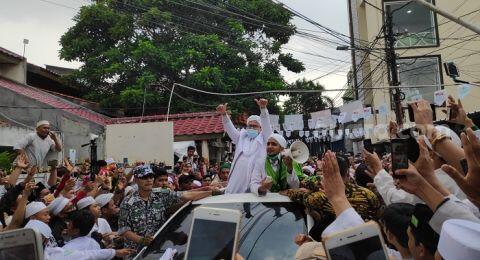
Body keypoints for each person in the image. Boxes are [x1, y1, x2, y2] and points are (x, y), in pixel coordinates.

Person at [118, 165, 214, 251]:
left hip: (158, 250)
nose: (149, 180)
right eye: (144, 177)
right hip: (135, 252)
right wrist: (142, 240)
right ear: (135, 180)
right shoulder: (127, 202)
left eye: (151, 177)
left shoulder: (160, 193)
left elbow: (185, 195)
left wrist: (210, 192)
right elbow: (124, 230)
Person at [284, 154, 380, 238]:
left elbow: (295, 193)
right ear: (347, 173)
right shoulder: (369, 195)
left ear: (324, 174)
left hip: (331, 241)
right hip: (364, 239)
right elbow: (377, 216)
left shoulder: (319, 198)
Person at [216, 98, 273, 194]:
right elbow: (230, 129)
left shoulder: (265, 139)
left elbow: (267, 125)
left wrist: (263, 109)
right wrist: (224, 115)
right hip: (238, 178)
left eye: (254, 126)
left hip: (256, 178)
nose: (251, 128)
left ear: (260, 128)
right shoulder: (241, 137)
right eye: (249, 126)